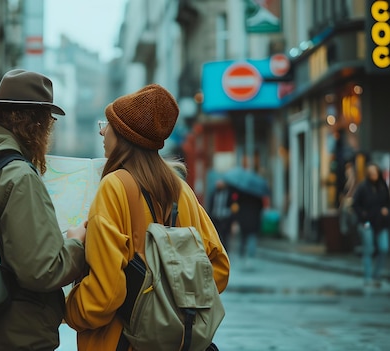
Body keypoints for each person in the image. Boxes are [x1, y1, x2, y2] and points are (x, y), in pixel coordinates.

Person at [64, 84, 230, 350]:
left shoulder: (114, 187)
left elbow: (104, 297)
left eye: (107, 124)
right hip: (177, 342)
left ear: (123, 135)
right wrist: (170, 301)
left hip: (121, 341)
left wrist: (69, 308)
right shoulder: (182, 190)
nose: (101, 131)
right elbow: (218, 270)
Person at [0, 69, 87, 350]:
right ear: (35, 123)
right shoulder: (18, 176)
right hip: (13, 334)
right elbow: (42, 270)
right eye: (49, 122)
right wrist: (75, 242)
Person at [352, 163, 390, 288]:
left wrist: (386, 210)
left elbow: (387, 201)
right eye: (371, 173)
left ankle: (376, 274)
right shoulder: (363, 187)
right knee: (368, 249)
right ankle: (368, 277)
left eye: (375, 173)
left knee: (384, 247)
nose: (373, 175)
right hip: (367, 222)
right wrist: (363, 216)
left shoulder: (383, 186)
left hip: (381, 222)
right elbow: (355, 204)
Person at [231, 188, 264, 269]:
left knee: (243, 239)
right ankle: (250, 258)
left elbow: (237, 206)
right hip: (254, 221)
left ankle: (242, 256)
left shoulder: (242, 194)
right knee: (252, 239)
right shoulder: (257, 195)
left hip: (243, 221)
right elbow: (261, 207)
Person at [207, 179, 235, 251]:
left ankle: (225, 252)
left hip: (225, 218)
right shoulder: (214, 193)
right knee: (216, 237)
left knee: (225, 238)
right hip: (215, 217)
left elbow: (232, 206)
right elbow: (210, 205)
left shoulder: (229, 194)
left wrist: (232, 220)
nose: (218, 184)